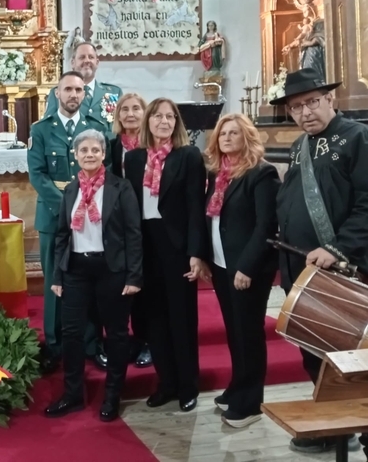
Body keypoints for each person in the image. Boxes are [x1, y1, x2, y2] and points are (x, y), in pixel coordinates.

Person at [272, 67, 368, 454]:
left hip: (345, 268)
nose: (305, 112)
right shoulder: (299, 147)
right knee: (316, 352)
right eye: (296, 107)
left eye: (312, 101)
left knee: (355, 355)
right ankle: (333, 425)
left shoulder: (357, 137)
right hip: (305, 269)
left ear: (330, 98)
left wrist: (337, 248)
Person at [46, 129, 142, 422]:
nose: (89, 154)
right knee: (72, 334)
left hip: (111, 269)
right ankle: (72, 395)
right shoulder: (71, 190)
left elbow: (133, 235)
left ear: (103, 154)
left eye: (95, 150)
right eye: (83, 150)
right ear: (75, 156)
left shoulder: (120, 187)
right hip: (76, 269)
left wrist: (134, 276)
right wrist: (57, 276)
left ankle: (113, 396)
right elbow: (62, 235)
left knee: (115, 333)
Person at [124, 97, 209, 412]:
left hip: (176, 247)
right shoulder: (133, 160)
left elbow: (194, 208)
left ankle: (188, 385)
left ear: (176, 123)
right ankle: (166, 383)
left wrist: (196, 253)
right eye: (157, 116)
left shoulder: (187, 156)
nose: (163, 121)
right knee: (152, 319)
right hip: (144, 245)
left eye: (170, 117)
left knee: (181, 318)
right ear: (147, 121)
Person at [204, 114, 280, 428]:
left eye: (234, 133)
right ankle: (238, 386)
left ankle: (250, 404)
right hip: (223, 265)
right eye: (223, 133)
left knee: (248, 333)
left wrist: (247, 266)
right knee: (235, 333)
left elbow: (266, 226)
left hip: (248, 269)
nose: (227, 137)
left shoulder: (261, 174)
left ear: (246, 137)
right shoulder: (220, 174)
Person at [28, 71, 107, 372]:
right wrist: (67, 206)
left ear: (84, 94)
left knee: (90, 281)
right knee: (54, 282)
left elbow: (104, 170)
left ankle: (91, 343)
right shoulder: (42, 130)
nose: (74, 94)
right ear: (57, 93)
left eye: (78, 90)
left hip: (92, 219)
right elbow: (37, 174)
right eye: (68, 90)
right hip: (53, 217)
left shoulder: (96, 128)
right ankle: (55, 344)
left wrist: (87, 205)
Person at [109, 92, 152, 369]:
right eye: (125, 109)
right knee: (123, 285)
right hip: (119, 223)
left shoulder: (153, 145)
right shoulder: (112, 146)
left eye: (137, 108)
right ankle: (129, 341)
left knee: (146, 286)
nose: (131, 114)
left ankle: (148, 341)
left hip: (148, 221)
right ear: (118, 116)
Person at [43, 42, 122, 142]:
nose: (87, 60)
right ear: (73, 63)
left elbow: (121, 127)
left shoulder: (114, 92)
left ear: (97, 62)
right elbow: (48, 126)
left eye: (91, 57)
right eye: (82, 57)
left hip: (107, 151)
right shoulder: (58, 93)